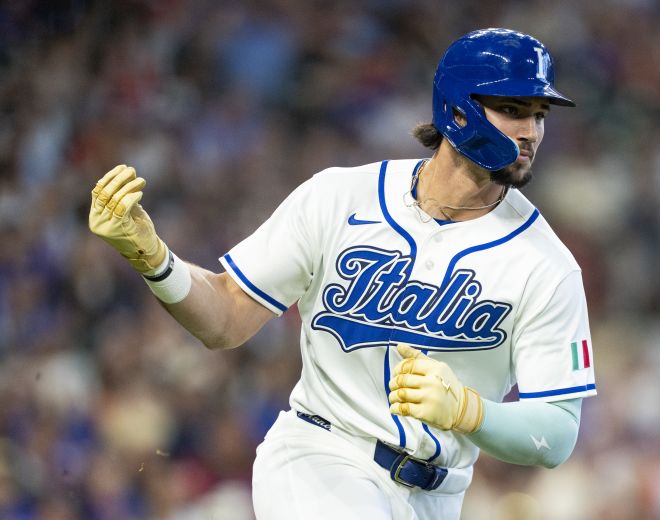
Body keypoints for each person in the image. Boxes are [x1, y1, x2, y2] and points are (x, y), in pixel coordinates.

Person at [89, 28, 597, 520]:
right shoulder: (339, 197)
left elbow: (556, 433)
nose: (531, 131)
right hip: (321, 458)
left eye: (539, 115)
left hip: (438, 498)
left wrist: (469, 411)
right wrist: (156, 260)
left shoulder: (547, 266)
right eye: (512, 110)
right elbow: (226, 320)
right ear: (458, 108)